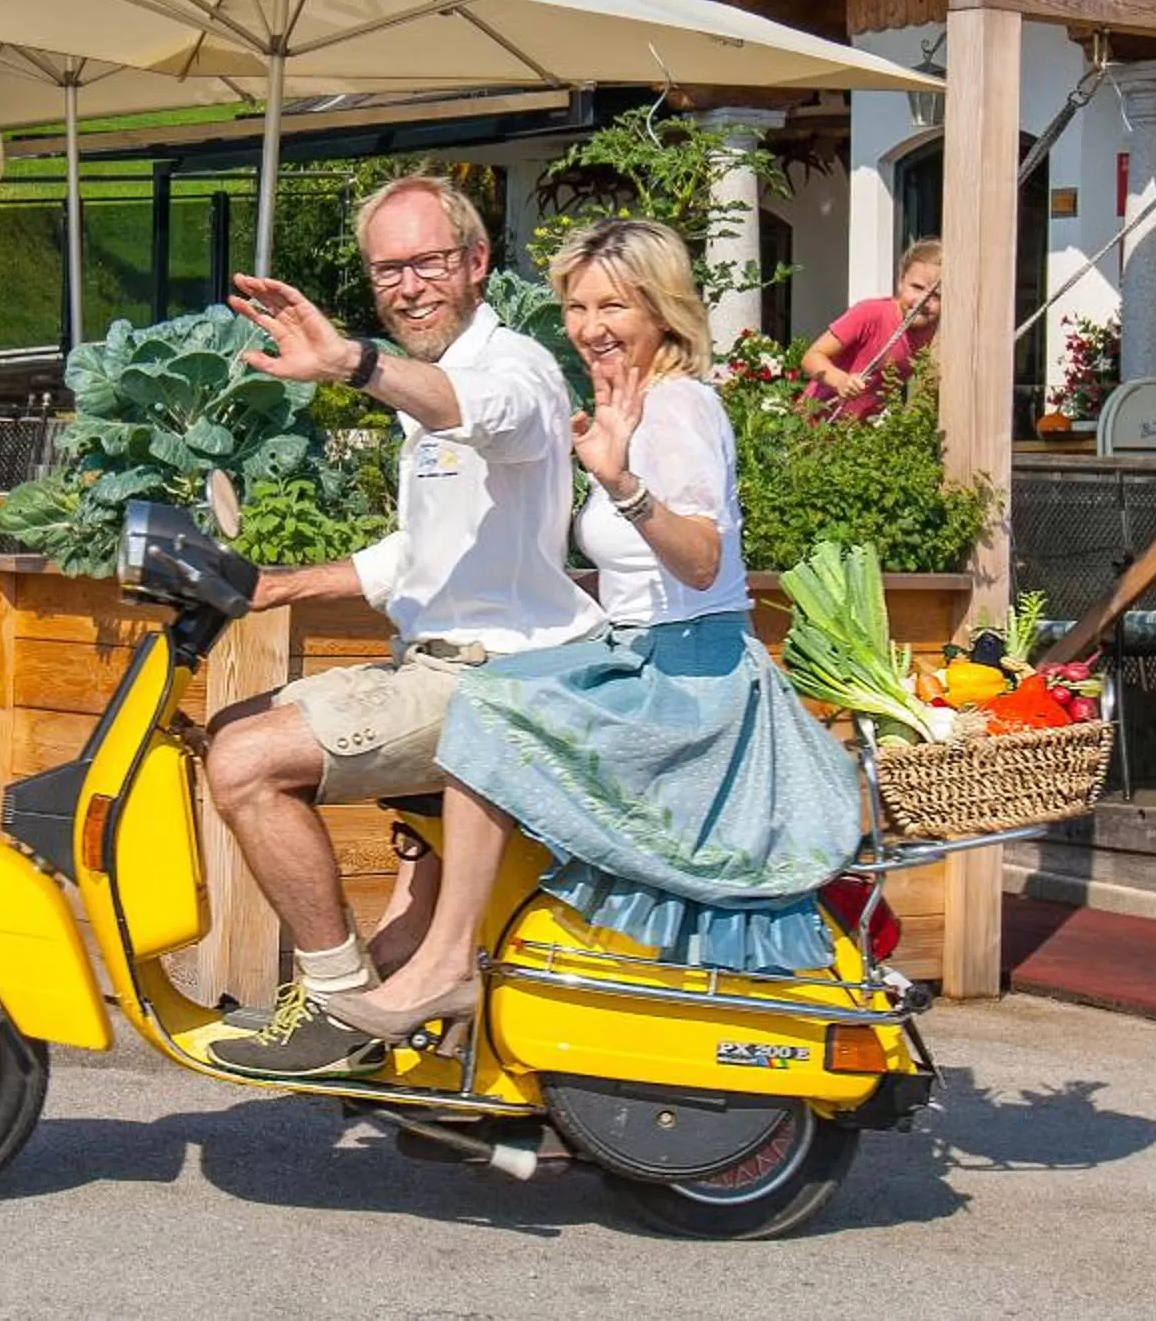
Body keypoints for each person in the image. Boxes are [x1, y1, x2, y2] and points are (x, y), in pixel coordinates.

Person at [320, 219, 863, 1046]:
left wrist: (622, 483)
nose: (589, 327)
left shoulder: (678, 406)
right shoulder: (631, 404)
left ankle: (446, 966)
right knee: (495, 697)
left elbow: (701, 561)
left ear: (662, 310)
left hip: (688, 680)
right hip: (641, 655)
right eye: (576, 307)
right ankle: (431, 955)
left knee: (487, 711)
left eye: (614, 306)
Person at [202, 175, 603, 1078]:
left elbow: (483, 412)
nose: (409, 287)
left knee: (245, 762)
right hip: (439, 662)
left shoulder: (514, 371)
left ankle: (338, 1000)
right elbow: (422, 551)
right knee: (229, 724)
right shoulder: (432, 390)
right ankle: (381, 979)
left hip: (494, 675)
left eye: (428, 263)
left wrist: (355, 365)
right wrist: (275, 585)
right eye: (389, 270)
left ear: (477, 262)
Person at [798, 237, 942, 421]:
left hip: (857, 432)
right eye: (917, 287)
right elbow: (811, 358)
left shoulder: (934, 336)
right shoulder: (871, 313)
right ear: (900, 282)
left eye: (936, 295)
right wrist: (840, 381)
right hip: (813, 422)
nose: (923, 301)